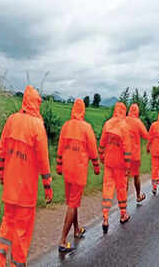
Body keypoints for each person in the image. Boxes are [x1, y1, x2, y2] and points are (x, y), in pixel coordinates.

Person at [0, 85, 53, 267]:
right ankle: (17, 264)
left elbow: (1, 151)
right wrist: (47, 186)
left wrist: (2, 175)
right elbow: (43, 160)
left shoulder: (11, 120)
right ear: (36, 103)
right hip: (26, 191)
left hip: (10, 188)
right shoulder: (37, 126)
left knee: (7, 225)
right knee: (21, 232)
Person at [56, 99, 100, 253]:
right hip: (79, 170)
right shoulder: (86, 128)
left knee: (72, 202)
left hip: (67, 170)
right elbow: (93, 149)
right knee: (73, 204)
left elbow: (60, 147)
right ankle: (62, 240)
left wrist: (59, 165)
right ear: (83, 111)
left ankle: (76, 230)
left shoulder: (66, 126)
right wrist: (96, 166)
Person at [99, 102, 132, 234]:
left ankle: (105, 218)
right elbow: (127, 149)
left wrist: (102, 157)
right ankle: (123, 214)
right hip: (120, 164)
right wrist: (128, 166)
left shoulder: (107, 124)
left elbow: (102, 144)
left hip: (109, 162)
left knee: (107, 188)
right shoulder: (125, 127)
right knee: (121, 189)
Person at [126, 103, 149, 202]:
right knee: (136, 176)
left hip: (124, 154)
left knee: (125, 177)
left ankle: (123, 199)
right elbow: (146, 136)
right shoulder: (138, 122)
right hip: (135, 155)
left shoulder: (123, 120)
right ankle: (138, 196)